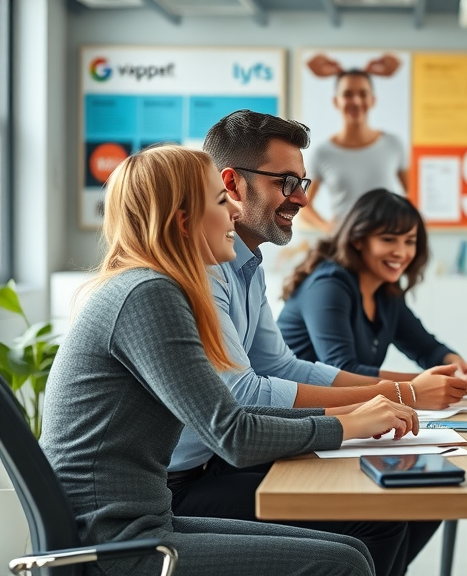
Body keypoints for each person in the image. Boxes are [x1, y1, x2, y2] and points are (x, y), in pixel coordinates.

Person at [40, 145, 421, 576]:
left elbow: (227, 413)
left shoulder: (153, 287)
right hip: (117, 548)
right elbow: (234, 435)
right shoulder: (149, 294)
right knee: (344, 563)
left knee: (352, 550)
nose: (233, 216)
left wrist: (352, 412)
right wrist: (348, 424)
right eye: (222, 202)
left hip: (144, 524)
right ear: (184, 222)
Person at [167, 111, 463, 576]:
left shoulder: (247, 267)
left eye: (303, 182)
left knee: (412, 491)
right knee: (380, 512)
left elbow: (283, 367)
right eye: (288, 182)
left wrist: (397, 395)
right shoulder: (199, 273)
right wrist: (391, 396)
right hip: (180, 484)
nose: (304, 198)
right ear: (232, 184)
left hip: (218, 461)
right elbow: (242, 396)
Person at [278, 188, 467, 390]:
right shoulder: (328, 286)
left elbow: (427, 348)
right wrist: (421, 384)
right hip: (294, 415)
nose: (401, 252)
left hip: (339, 410)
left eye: (409, 241)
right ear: (358, 240)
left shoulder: (386, 291)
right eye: (388, 240)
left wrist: (459, 368)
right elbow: (341, 370)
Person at [302, 54, 408, 233]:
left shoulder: (393, 145)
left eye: (363, 94)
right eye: (347, 94)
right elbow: (304, 206)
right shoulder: (323, 153)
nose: (356, 101)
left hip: (385, 242)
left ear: (373, 100)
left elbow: (412, 195)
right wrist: (328, 229)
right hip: (344, 246)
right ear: (336, 101)